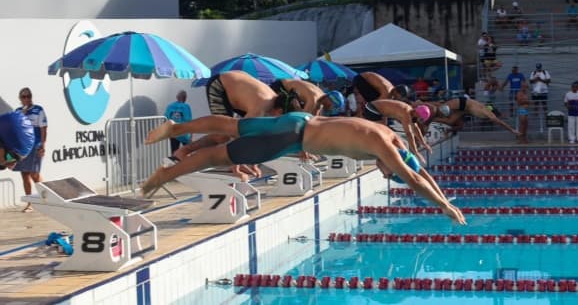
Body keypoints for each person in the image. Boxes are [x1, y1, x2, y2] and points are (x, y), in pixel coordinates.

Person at [142, 113, 466, 225]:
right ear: (390, 164)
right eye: (385, 172)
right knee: (218, 157)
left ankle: (174, 128)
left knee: (231, 124)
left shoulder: (389, 135)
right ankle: (165, 175)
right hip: (291, 138)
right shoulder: (384, 150)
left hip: (297, 121)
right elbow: (412, 177)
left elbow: (419, 170)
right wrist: (444, 206)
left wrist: (444, 197)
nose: (382, 173)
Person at [363, 99, 432, 164]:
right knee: (382, 134)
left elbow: (415, 128)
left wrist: (424, 143)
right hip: (372, 109)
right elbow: (409, 134)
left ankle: (376, 151)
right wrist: (416, 152)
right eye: (420, 118)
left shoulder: (412, 113)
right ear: (416, 113)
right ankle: (372, 151)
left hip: (377, 110)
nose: (419, 120)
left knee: (384, 131)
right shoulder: (406, 114)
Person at [13, 88, 47, 212]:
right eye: (24, 97)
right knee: (25, 174)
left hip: (35, 146)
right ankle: (29, 203)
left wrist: (43, 145)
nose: (26, 99)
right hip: (22, 148)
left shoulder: (39, 110)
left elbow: (44, 129)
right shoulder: (17, 111)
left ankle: (47, 198)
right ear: (20, 99)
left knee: (35, 174)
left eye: (28, 96)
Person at [417, 96, 520, 135]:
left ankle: (434, 121)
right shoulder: (489, 114)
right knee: (440, 109)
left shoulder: (487, 111)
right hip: (463, 103)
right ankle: (422, 104)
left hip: (464, 110)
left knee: (450, 122)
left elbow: (501, 119)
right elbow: (501, 123)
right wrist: (512, 130)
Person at [270, 79, 344, 116]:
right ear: (330, 100)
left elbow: (315, 117)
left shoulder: (321, 96)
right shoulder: (314, 98)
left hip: (287, 87)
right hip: (280, 86)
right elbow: (303, 118)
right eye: (331, 107)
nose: (329, 110)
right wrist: (297, 107)